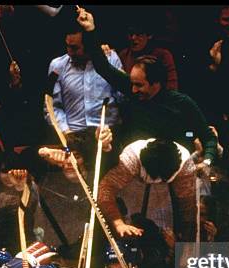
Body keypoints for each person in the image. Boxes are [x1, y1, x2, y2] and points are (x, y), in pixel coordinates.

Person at [76, 7, 218, 169]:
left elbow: (209, 138)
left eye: (139, 85)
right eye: (132, 84)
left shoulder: (182, 103)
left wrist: (207, 162)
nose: (133, 90)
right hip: (137, 169)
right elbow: (103, 67)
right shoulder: (133, 89)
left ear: (155, 83)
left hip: (173, 168)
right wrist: (90, 30)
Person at [45, 28, 122, 167]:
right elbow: (50, 106)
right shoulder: (56, 66)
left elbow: (123, 98)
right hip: (73, 138)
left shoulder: (110, 58)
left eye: (74, 48)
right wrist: (65, 131)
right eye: (67, 46)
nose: (69, 51)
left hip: (107, 137)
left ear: (90, 45)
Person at [98, 138, 197, 242]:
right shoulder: (131, 158)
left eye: (160, 179)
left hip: (164, 198)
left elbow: (188, 208)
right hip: (131, 186)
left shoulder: (185, 167)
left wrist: (186, 244)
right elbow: (105, 189)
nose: (155, 180)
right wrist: (118, 224)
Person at [119, 22, 178, 90]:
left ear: (149, 35)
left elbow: (172, 86)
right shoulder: (123, 55)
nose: (133, 38)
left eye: (139, 34)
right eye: (131, 34)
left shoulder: (163, 55)